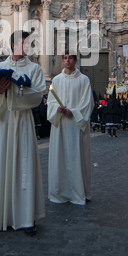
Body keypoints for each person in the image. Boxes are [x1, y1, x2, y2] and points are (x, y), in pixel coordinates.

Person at [0, 31, 46, 235]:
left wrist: (19, 89)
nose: (27, 46)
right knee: (3, 165)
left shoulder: (35, 68)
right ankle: (3, 215)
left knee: (24, 166)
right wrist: (1, 91)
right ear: (13, 45)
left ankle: (27, 218)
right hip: (4, 122)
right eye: (23, 42)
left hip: (23, 122)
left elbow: (38, 95)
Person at [47, 52, 94, 205]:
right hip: (60, 124)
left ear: (75, 60)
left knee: (76, 157)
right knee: (59, 158)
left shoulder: (84, 80)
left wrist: (73, 112)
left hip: (75, 125)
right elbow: (51, 102)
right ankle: (60, 191)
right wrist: (57, 110)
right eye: (65, 58)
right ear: (62, 60)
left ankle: (77, 191)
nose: (67, 61)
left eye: (70, 58)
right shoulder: (56, 80)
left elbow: (87, 103)